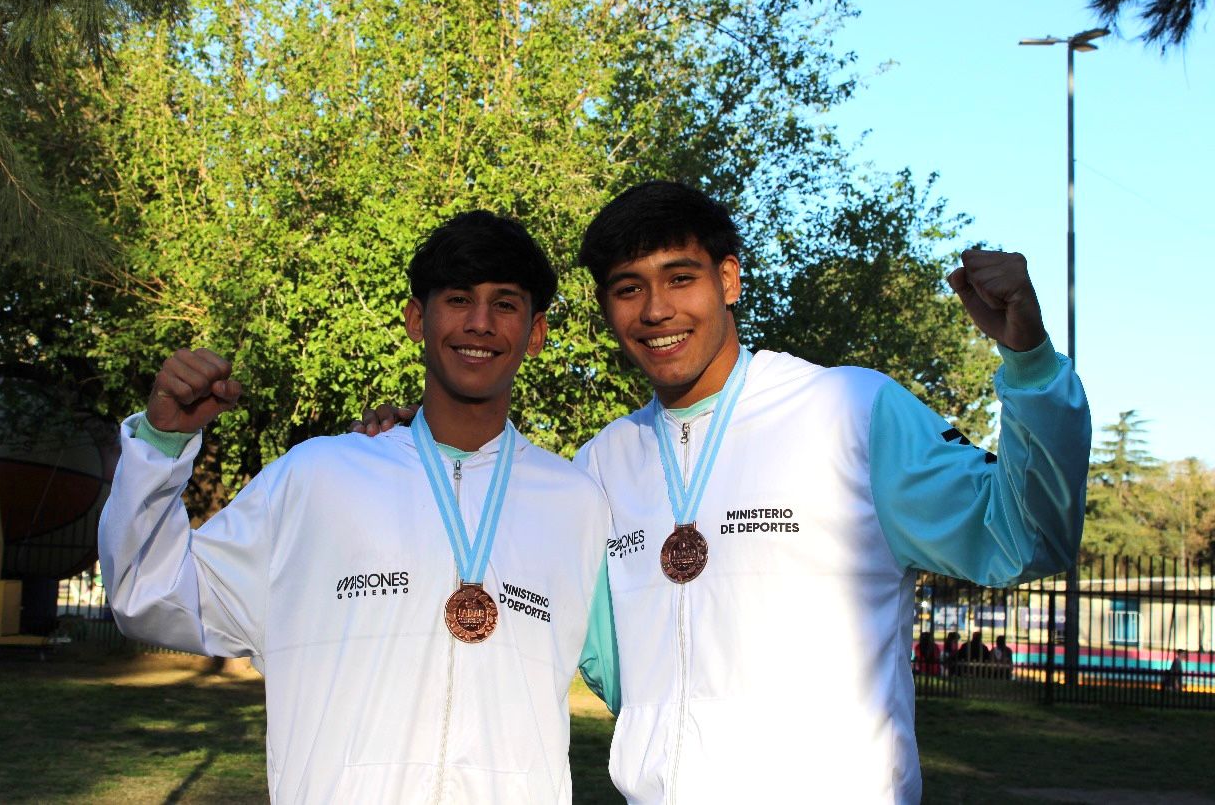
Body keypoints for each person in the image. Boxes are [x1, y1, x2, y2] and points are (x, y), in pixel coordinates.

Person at [359, 181, 1091, 802]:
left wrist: (1026, 362)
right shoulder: (603, 463)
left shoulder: (851, 412)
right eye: (628, 288)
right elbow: (582, 644)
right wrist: (414, 451)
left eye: (681, 278)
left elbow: (1022, 534)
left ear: (729, 280)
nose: (656, 310)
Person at [98, 211, 612, 803]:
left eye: (505, 304)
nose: (479, 323)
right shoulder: (318, 477)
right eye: (458, 299)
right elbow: (148, 595)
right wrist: (162, 446)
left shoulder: (575, 504)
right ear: (417, 319)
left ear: (536, 331)